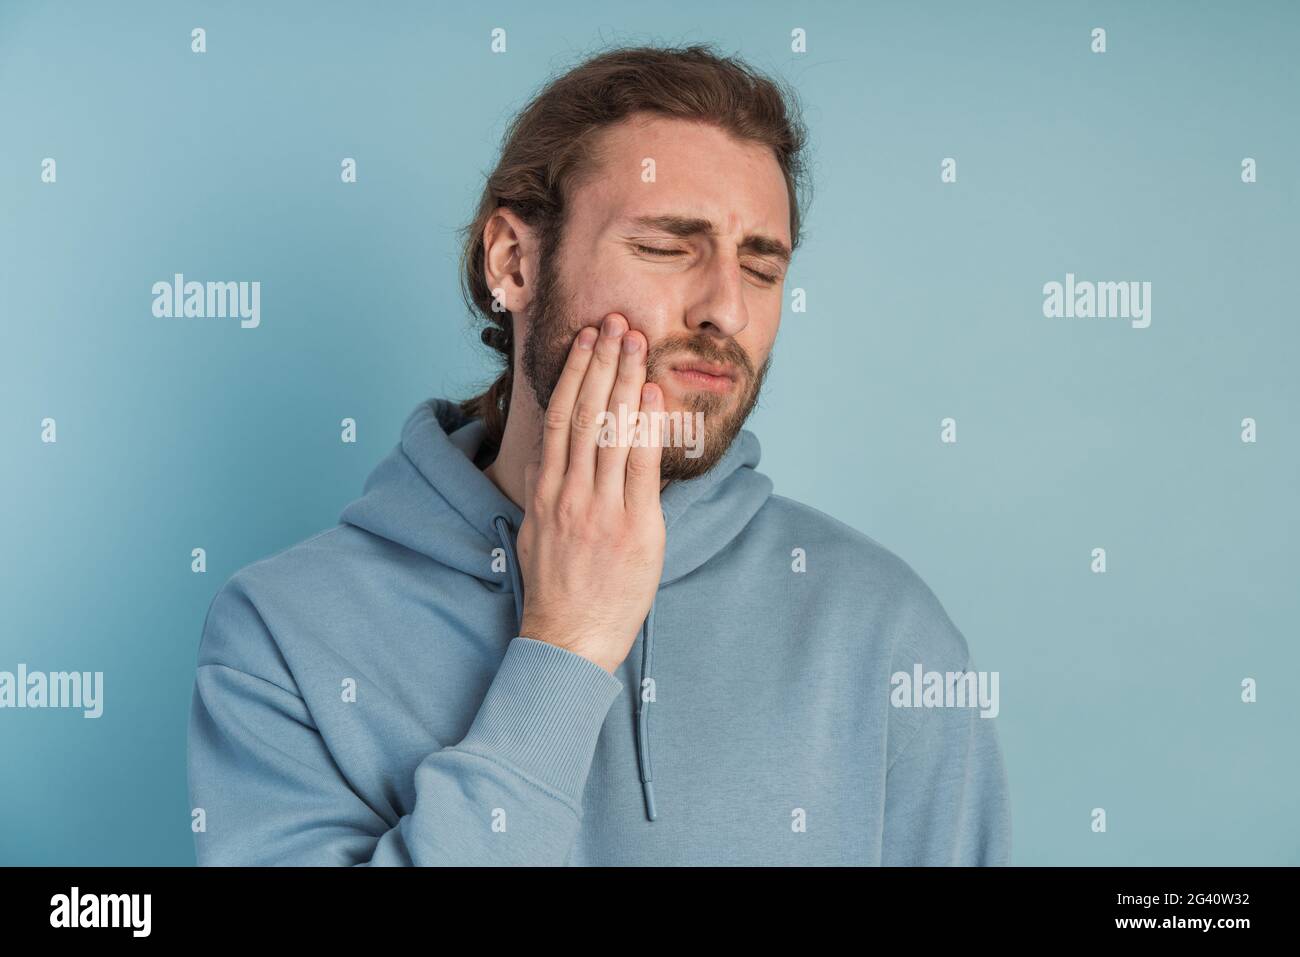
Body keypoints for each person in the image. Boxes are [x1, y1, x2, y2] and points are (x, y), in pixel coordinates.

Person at [186, 43, 1011, 866]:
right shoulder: (285, 632)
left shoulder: (887, 629)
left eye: (761, 266)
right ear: (513, 261)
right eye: (664, 247)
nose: (726, 307)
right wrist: (566, 645)